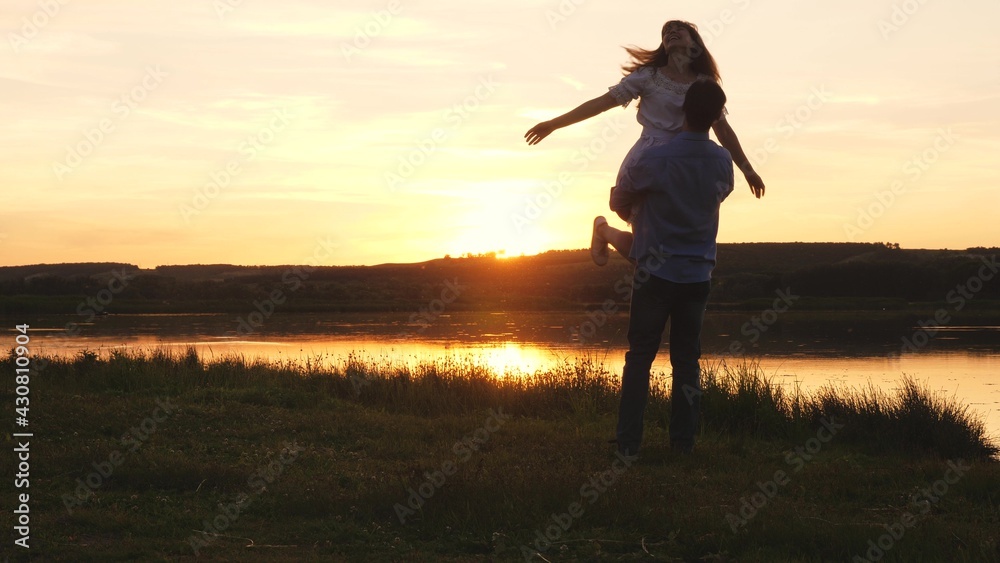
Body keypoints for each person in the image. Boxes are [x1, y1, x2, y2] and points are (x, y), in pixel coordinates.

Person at [524, 20, 764, 265]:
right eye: (666, 31)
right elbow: (600, 103)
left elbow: (722, 128)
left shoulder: (704, 83)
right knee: (648, 252)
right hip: (649, 159)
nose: (671, 32)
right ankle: (604, 232)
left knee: (669, 246)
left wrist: (748, 170)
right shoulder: (649, 77)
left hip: (689, 162)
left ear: (694, 43)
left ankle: (604, 232)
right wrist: (553, 124)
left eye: (679, 29)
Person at [610, 79, 734, 457]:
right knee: (687, 362)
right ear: (716, 118)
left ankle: (628, 446)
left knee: (639, 358)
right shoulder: (722, 161)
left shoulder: (655, 158)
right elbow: (719, 193)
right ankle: (682, 446)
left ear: (682, 110)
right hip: (697, 276)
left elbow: (619, 199)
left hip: (654, 274)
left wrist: (643, 211)